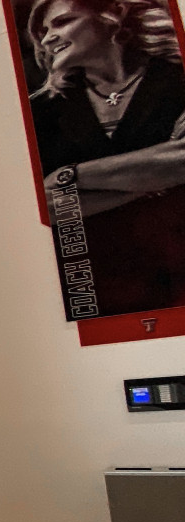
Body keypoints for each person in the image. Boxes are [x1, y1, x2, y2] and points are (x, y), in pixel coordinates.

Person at [26, 0, 185, 314]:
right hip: (97, 289)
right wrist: (149, 179)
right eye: (43, 32)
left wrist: (70, 175)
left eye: (62, 22)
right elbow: (45, 205)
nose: (47, 40)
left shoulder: (176, 79)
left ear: (113, 18)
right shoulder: (42, 111)